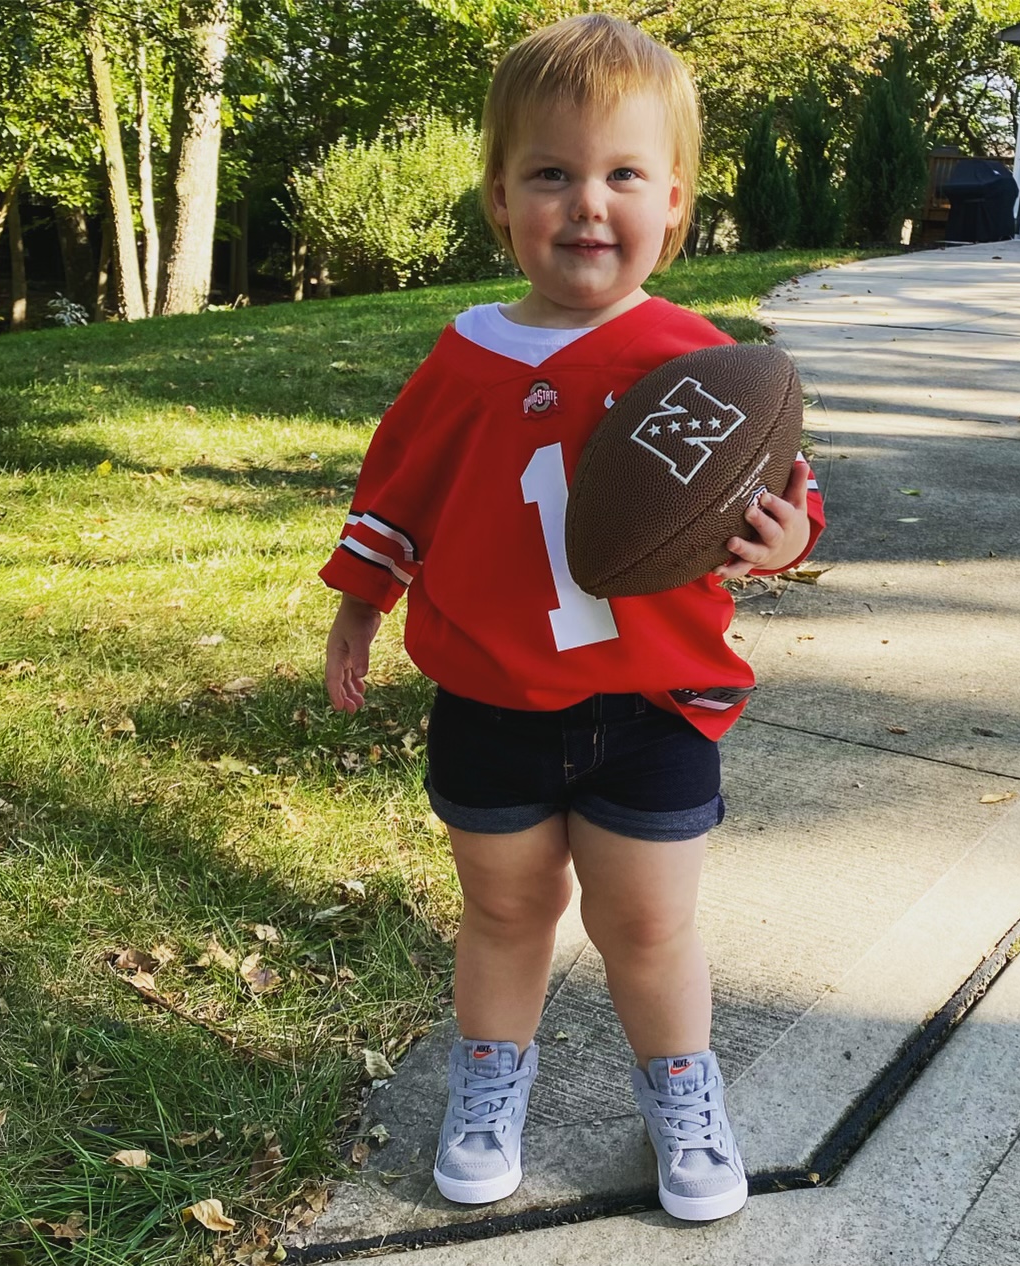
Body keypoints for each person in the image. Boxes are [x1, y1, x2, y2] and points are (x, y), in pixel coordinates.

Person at [320, 14, 825, 1223]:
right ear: (501, 200)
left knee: (647, 920)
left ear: (676, 202)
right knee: (504, 906)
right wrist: (359, 604)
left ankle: (683, 1091)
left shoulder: (697, 359)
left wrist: (790, 536)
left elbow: (781, 495)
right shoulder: (464, 355)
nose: (587, 204)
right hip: (493, 694)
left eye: (622, 175)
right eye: (551, 173)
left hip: (652, 701)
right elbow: (397, 489)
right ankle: (491, 1079)